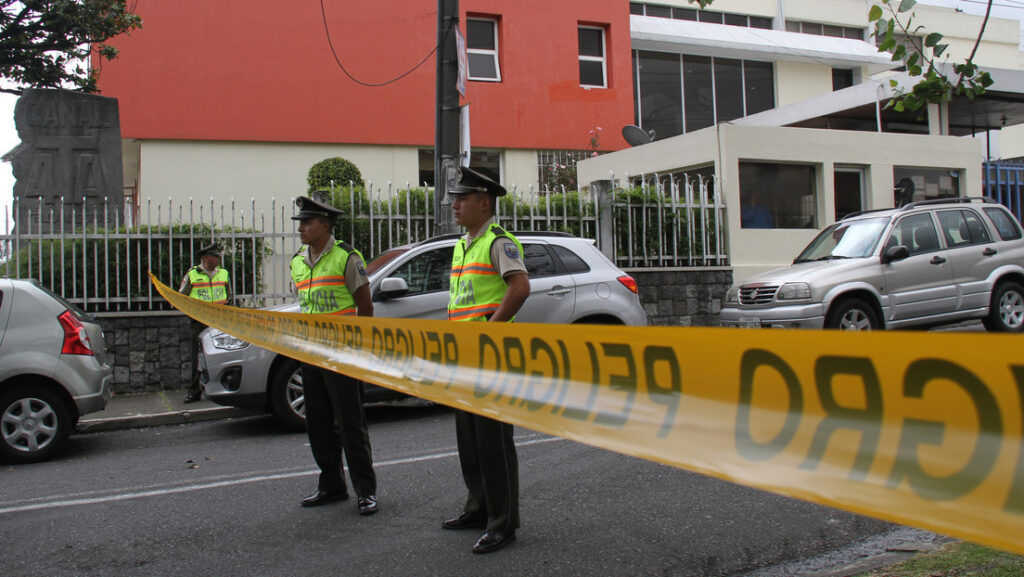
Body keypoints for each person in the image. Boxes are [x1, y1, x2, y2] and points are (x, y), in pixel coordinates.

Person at [442, 167, 530, 554]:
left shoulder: (498, 242)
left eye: (462, 199)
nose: (454, 205)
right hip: (464, 354)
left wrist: (490, 331)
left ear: (484, 202)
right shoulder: (464, 245)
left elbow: (520, 287)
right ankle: (478, 508)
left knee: (493, 442)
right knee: (470, 440)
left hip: (489, 355)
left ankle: (502, 522)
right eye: (455, 199)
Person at [289, 195, 378, 516]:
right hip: (312, 352)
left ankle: (366, 491)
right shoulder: (298, 260)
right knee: (318, 423)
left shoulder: (346, 257)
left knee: (350, 423)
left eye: (307, 222)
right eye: (300, 222)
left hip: (342, 353)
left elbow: (365, 305)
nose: (301, 228)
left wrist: (360, 348)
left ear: (325, 225)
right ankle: (331, 485)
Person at [178, 242, 230, 404]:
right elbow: (182, 296)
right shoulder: (193, 274)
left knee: (221, 354)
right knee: (197, 357)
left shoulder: (223, 273)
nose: (218, 259)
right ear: (206, 258)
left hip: (219, 321)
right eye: (215, 257)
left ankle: (222, 387)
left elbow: (228, 295)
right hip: (199, 322)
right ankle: (194, 391)